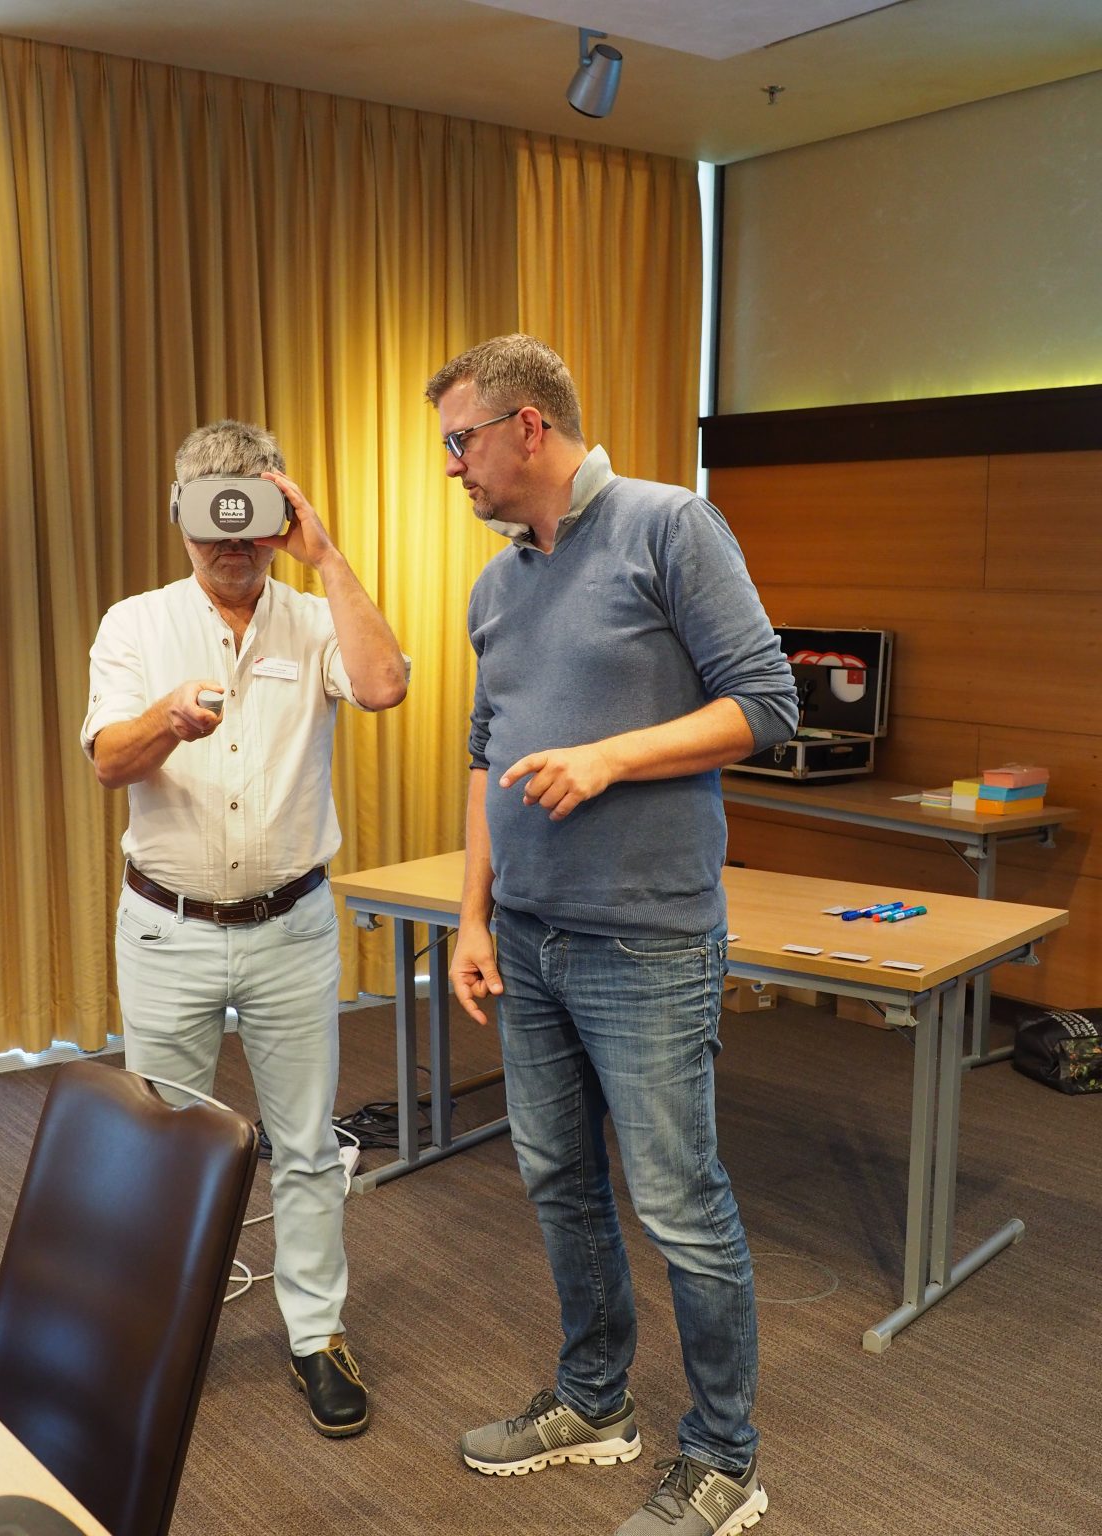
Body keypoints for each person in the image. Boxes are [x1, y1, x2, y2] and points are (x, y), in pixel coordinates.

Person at [426, 337, 798, 1536]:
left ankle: (726, 1459)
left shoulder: (668, 525)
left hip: (647, 942)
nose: (453, 467)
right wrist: (472, 917)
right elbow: (484, 757)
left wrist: (611, 758)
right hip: (527, 941)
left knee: (680, 1204)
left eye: (461, 441)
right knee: (558, 1181)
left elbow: (768, 703)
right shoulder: (496, 587)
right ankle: (595, 1402)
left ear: (528, 426)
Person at [81, 419, 408, 1439]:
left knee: (305, 1146)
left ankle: (316, 1333)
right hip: (167, 929)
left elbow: (386, 685)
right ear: (181, 517)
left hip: (290, 928)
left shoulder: (313, 621)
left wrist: (328, 555)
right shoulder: (137, 624)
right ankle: (157, 1332)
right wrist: (165, 719)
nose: (233, 545)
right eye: (212, 522)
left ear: (277, 516)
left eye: (252, 520)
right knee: (164, 1145)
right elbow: (109, 760)